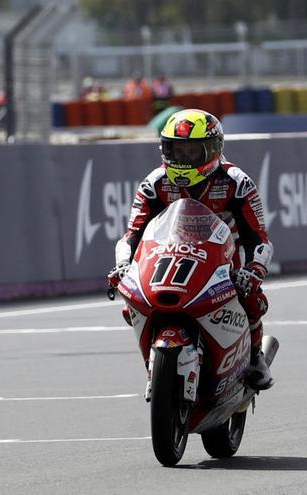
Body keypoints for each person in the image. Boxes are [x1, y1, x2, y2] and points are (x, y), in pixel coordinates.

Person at [107, 108, 274, 391]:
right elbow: (132, 235)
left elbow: (258, 238)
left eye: (192, 152)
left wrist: (254, 271)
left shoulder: (236, 182)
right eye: (177, 151)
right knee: (131, 305)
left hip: (221, 261)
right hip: (168, 259)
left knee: (253, 300)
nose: (183, 159)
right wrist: (123, 265)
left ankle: (255, 357)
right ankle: (154, 365)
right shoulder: (155, 184)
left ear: (212, 150)